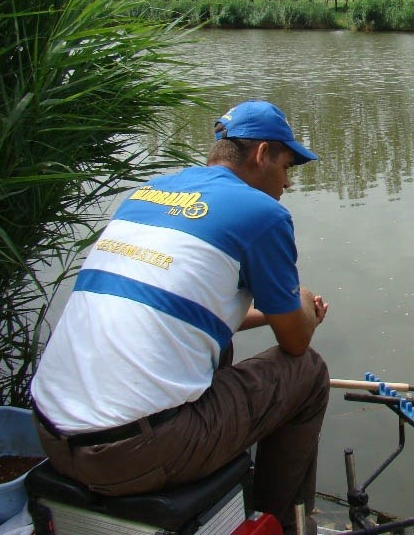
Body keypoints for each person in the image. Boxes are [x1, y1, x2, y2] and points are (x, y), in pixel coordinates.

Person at [30, 100, 330, 532]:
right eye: (286, 166)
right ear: (262, 153)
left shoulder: (145, 195)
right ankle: (275, 522)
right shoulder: (263, 213)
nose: (286, 183)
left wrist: (268, 313)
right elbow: (296, 343)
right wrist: (299, 301)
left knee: (217, 348)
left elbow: (182, 310)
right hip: (130, 455)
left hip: (52, 435)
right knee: (309, 374)